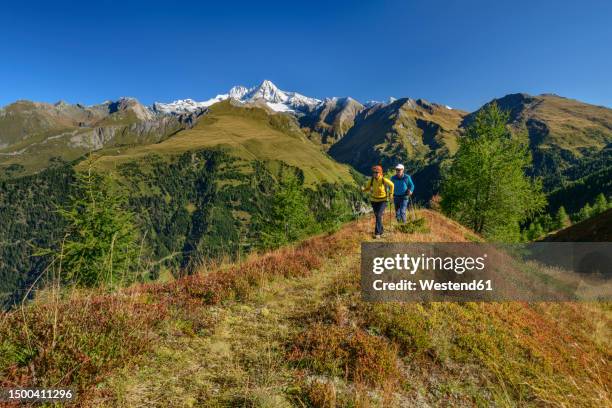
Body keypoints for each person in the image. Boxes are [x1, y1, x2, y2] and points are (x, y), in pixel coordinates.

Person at [362, 165, 394, 238]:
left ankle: (377, 233)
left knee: (379, 215)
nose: (375, 174)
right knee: (377, 216)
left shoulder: (383, 179)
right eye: (374, 172)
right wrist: (363, 190)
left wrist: (391, 194)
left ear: (380, 173)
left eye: (377, 172)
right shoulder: (372, 180)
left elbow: (392, 185)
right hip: (374, 200)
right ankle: (381, 231)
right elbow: (367, 188)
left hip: (383, 200)